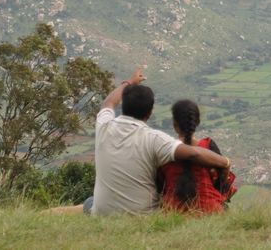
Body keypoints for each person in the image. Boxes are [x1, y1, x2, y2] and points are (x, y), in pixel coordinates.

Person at [53, 68, 231, 215]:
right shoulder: (154, 139)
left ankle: (49, 213)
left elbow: (108, 102)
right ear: (149, 113)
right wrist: (225, 162)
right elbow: (193, 153)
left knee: (89, 203)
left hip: (103, 214)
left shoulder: (104, 126)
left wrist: (129, 82)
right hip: (142, 217)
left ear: (124, 106)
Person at [157, 99, 237, 213]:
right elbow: (222, 180)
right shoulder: (208, 146)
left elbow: (160, 187)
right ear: (197, 122)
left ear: (174, 123)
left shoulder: (164, 150)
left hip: (173, 211)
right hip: (211, 209)